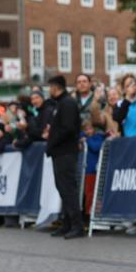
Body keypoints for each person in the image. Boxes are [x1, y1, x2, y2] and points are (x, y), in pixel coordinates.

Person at [45, 75, 85, 240]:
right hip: (60, 152)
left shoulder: (67, 103)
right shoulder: (61, 103)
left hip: (66, 152)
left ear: (56, 87)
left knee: (68, 189)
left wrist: (53, 140)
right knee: (63, 189)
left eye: (50, 87)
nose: (49, 90)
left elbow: (68, 128)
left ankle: (77, 225)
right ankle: (67, 223)